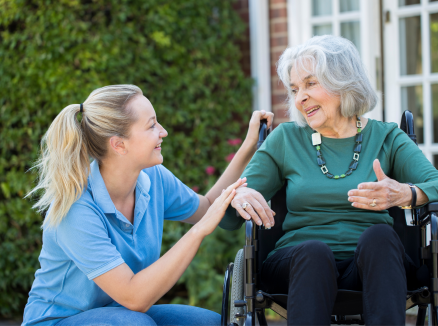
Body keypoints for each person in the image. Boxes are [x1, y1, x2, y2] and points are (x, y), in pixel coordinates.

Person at [219, 35, 438, 326]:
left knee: (381, 238)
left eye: (310, 83)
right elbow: (228, 220)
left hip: (372, 265)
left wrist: (405, 194)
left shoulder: (386, 137)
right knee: (314, 250)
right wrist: (239, 197)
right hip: (298, 263)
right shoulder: (286, 139)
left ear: (343, 82)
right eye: (295, 89)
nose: (299, 98)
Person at [22, 84, 274, 326]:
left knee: (209, 323)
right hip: (58, 321)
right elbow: (135, 298)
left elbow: (207, 207)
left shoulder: (153, 178)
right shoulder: (76, 208)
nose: (163, 131)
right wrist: (199, 231)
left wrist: (248, 145)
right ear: (119, 144)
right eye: (152, 125)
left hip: (119, 314)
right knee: (134, 323)